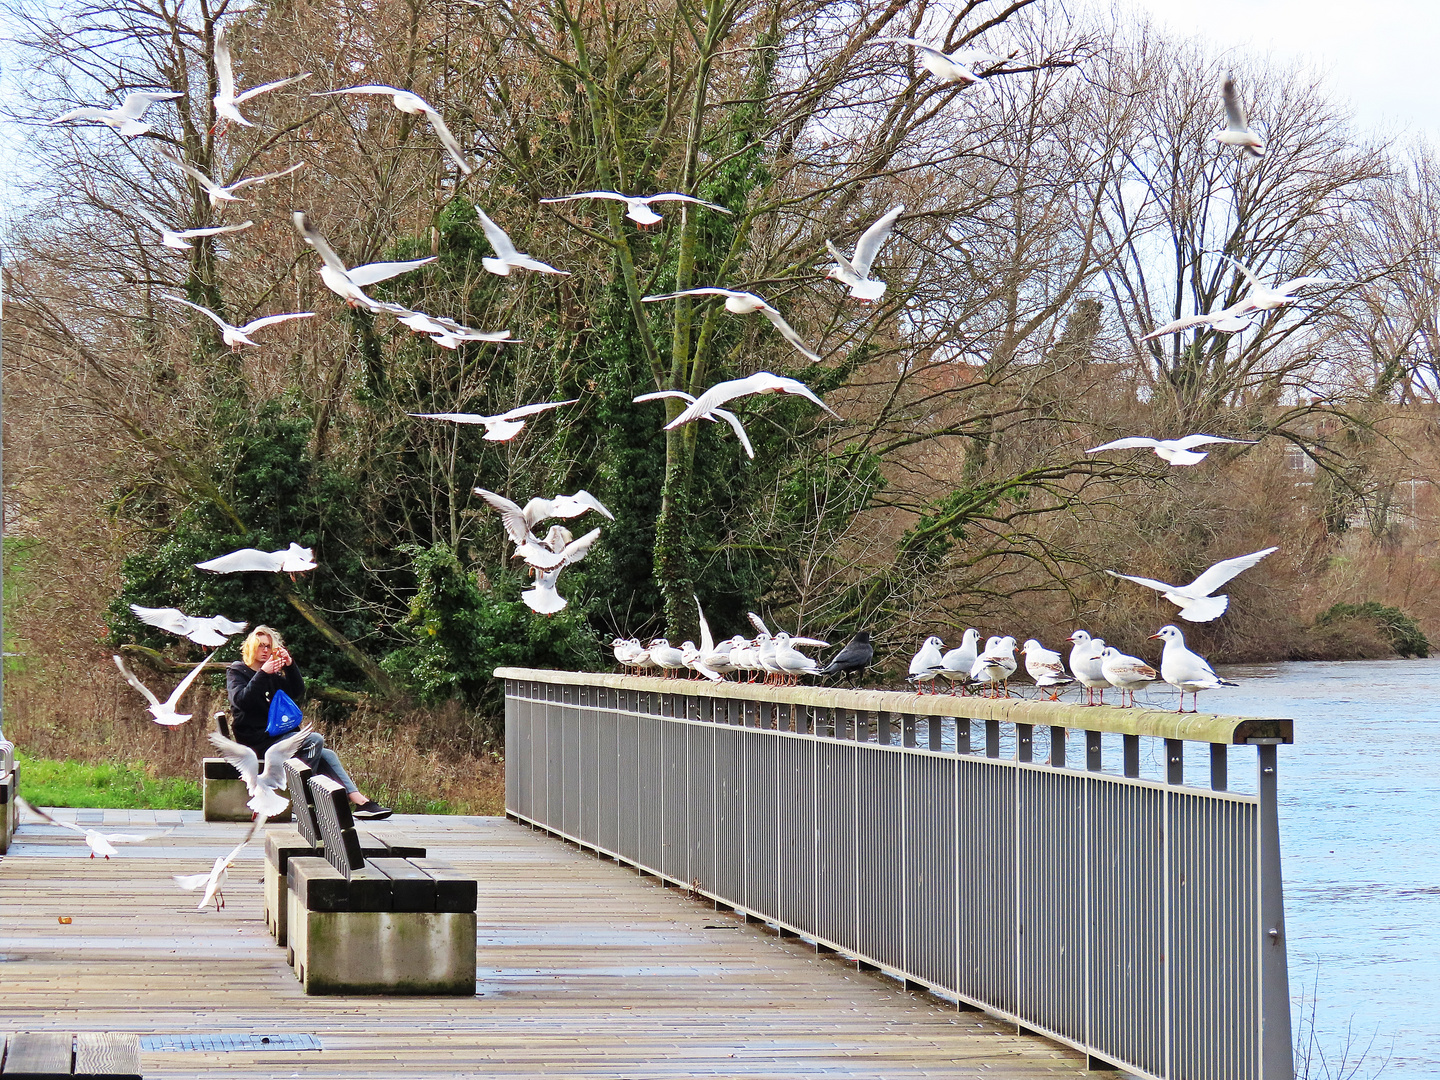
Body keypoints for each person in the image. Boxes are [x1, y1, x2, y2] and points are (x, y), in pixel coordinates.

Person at [226, 625, 393, 820]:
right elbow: (241, 701)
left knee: (326, 753)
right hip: (256, 741)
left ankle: (360, 802)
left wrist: (289, 665)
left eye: (268, 647)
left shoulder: (271, 674)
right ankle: (301, 800)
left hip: (277, 737)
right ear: (250, 648)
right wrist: (262, 673)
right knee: (314, 740)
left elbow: (296, 691)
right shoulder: (237, 671)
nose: (265, 650)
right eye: (260, 646)